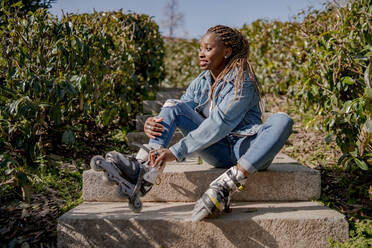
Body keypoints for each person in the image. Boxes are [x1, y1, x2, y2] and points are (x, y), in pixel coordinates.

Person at [90, 25, 293, 221]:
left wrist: (176, 152)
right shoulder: (202, 81)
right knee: (172, 104)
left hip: (247, 149)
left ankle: (229, 182)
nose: (201, 54)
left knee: (282, 120)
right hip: (218, 151)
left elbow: (219, 123)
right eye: (200, 48)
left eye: (209, 48)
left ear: (227, 52)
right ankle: (144, 168)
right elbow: (178, 111)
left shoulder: (243, 80)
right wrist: (152, 124)